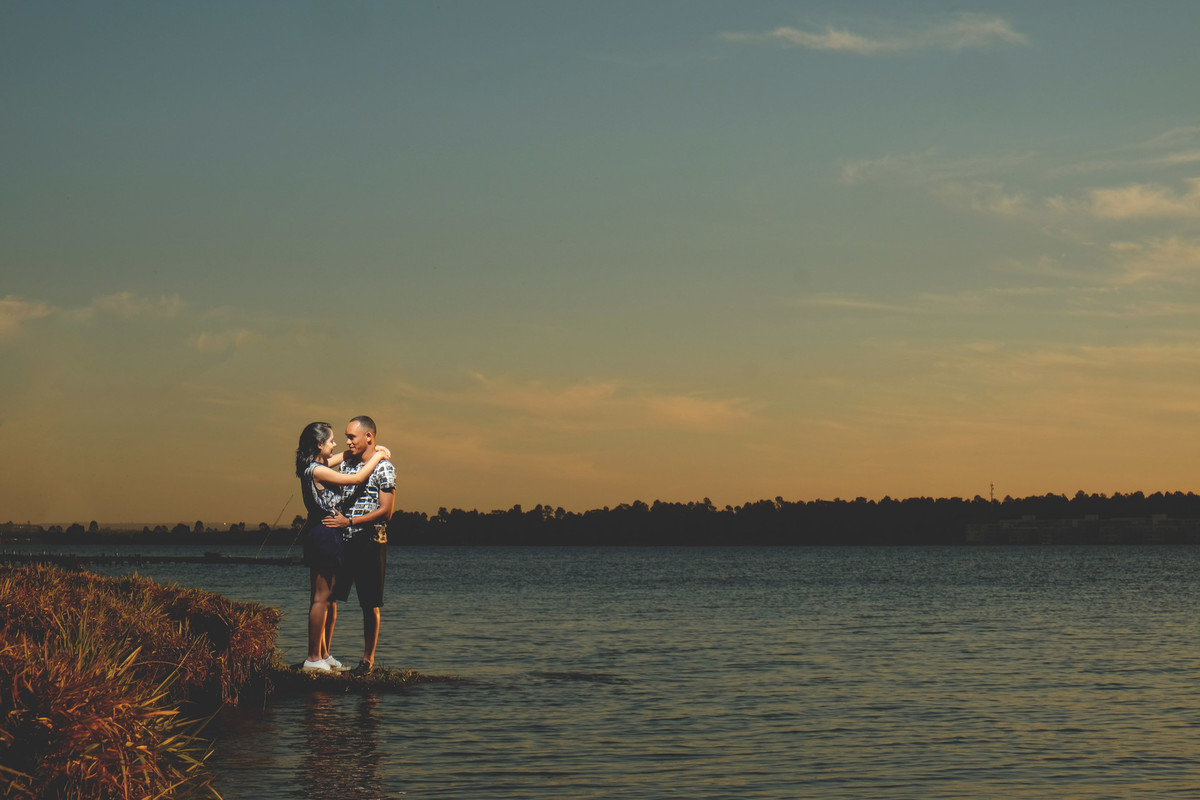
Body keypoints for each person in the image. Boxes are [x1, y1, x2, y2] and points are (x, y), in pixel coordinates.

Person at [294, 422, 391, 673]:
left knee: (326, 599)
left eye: (347, 438)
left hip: (329, 533)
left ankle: (322, 655)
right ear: (319, 445)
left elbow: (344, 456)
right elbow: (357, 477)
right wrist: (379, 455)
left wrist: (370, 449)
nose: (337, 444)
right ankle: (314, 658)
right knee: (321, 598)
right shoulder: (317, 470)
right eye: (331, 441)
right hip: (325, 533)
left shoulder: (315, 466)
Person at [325, 415, 395, 676]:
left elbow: (387, 511)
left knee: (370, 603)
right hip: (343, 540)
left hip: (371, 541)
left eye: (352, 436)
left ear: (369, 437)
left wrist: (351, 521)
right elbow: (318, 464)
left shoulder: (385, 468)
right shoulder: (348, 462)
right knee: (331, 597)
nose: (347, 441)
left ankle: (367, 660)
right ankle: (324, 654)